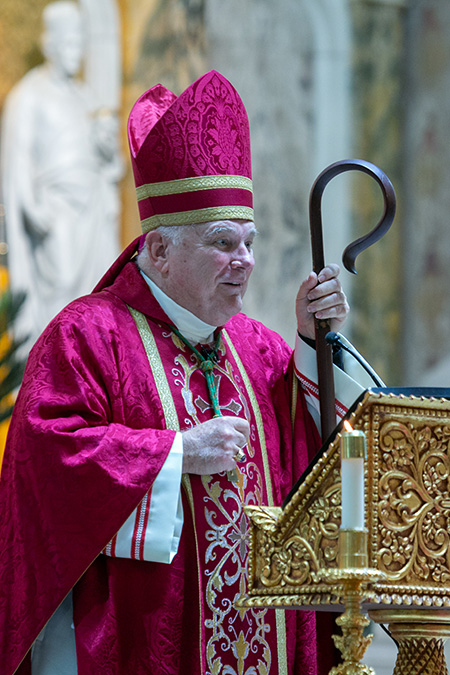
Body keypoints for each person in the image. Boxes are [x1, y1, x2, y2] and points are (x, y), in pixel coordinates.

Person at [0, 70, 365, 674]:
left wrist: (310, 345)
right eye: (224, 243)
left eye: (249, 242)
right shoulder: (87, 336)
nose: (244, 262)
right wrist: (175, 453)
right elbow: (46, 463)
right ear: (161, 251)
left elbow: (309, 463)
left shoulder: (259, 347)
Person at [0, 0, 122, 355]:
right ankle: (53, 368)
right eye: (68, 44)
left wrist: (105, 149)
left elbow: (109, 164)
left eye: (80, 45)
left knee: (96, 295)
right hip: (56, 217)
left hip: (93, 213)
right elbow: (17, 162)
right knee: (61, 293)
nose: (75, 53)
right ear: (49, 45)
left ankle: (92, 368)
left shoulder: (86, 97)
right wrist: (33, 208)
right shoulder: (28, 96)